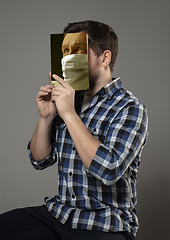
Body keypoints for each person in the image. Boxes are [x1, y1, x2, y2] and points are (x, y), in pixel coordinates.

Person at [0, 20, 148, 240]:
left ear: (105, 58)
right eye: (65, 51)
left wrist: (69, 115)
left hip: (105, 224)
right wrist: (46, 117)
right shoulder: (71, 100)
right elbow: (39, 159)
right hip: (60, 213)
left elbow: (108, 169)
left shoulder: (130, 108)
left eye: (78, 51)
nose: (68, 59)